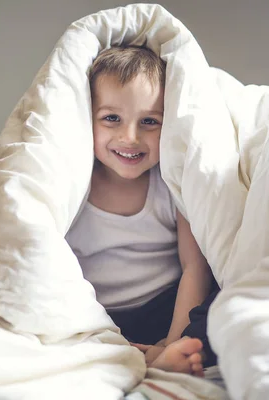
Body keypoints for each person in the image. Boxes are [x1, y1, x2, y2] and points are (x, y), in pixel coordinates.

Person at [65, 45, 220, 376]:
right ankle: (121, 358)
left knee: (229, 294)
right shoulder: (72, 186)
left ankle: (174, 353)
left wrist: (175, 339)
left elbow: (195, 267)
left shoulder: (170, 185)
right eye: (111, 119)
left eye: (150, 121)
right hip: (99, 316)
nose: (130, 137)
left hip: (169, 306)